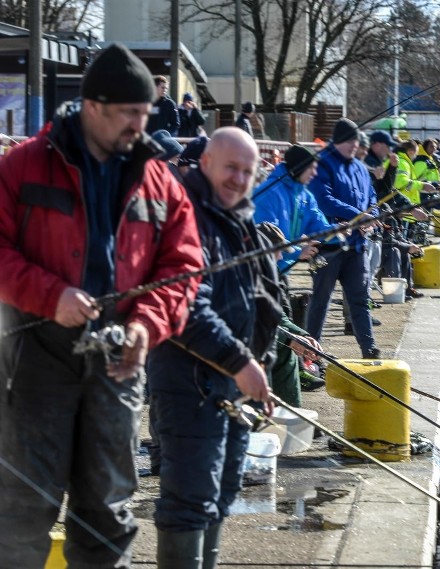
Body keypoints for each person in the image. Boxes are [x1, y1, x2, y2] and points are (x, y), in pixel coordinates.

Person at [0, 42, 203, 567]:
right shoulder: (22, 167)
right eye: (130, 113)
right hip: (36, 355)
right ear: (93, 107)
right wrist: (50, 295)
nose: (142, 123)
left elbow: (182, 267)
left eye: (145, 112)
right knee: (22, 508)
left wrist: (147, 326)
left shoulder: (160, 180)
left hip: (120, 359)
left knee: (108, 511)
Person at [146, 128, 283, 566]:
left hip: (232, 389)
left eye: (248, 171)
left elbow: (264, 300)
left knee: (222, 494)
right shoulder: (184, 217)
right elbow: (183, 308)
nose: (239, 178)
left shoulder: (240, 220)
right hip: (189, 388)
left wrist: (261, 366)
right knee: (188, 503)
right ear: (204, 164)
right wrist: (241, 362)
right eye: (230, 168)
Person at [253, 144, 330, 402]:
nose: (315, 172)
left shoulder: (303, 193)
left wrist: (338, 231)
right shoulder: (269, 193)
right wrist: (296, 251)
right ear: (298, 168)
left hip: (278, 272)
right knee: (276, 338)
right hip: (263, 273)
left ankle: (296, 380)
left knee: (283, 317)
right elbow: (266, 238)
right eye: (311, 167)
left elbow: (317, 219)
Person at [307, 118, 382, 359]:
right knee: (320, 301)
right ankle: (310, 352)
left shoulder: (360, 167)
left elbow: (373, 198)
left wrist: (372, 217)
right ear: (337, 140)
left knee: (360, 299)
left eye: (356, 141)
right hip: (329, 247)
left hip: (357, 246)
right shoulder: (322, 164)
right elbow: (322, 198)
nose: (354, 146)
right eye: (349, 141)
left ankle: (369, 348)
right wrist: (358, 217)